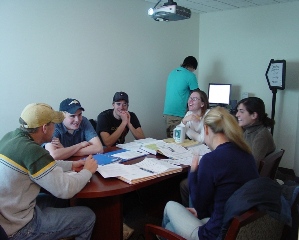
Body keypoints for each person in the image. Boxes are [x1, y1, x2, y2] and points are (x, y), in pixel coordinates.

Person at [0, 103, 98, 239]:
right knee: (87, 216)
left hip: (6, 216)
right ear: (45, 128)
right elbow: (66, 189)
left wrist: (71, 165)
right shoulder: (34, 151)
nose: (56, 127)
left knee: (60, 202)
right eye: (54, 124)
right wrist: (87, 170)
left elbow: (41, 164)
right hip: (19, 228)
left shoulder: (10, 138)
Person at [162, 107, 259, 239]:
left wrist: (193, 172)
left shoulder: (211, 160)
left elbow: (200, 207)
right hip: (236, 227)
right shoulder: (247, 154)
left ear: (206, 129)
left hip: (215, 233)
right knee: (170, 228)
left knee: (169, 206)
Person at [178, 89, 210, 207]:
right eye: (189, 98)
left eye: (194, 98)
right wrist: (184, 121)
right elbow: (177, 134)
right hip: (194, 150)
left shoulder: (208, 115)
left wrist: (187, 129)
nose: (190, 101)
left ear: (202, 104)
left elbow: (203, 139)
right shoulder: (188, 115)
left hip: (207, 153)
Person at [163, 56, 199, 138]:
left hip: (167, 113)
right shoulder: (190, 75)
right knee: (179, 144)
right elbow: (197, 94)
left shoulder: (172, 73)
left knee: (171, 142)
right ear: (193, 67)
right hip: (178, 114)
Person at [235, 97, 276, 167]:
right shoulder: (249, 130)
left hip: (248, 176)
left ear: (254, 115)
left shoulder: (261, 136)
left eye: (241, 111)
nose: (237, 115)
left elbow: (251, 166)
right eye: (238, 111)